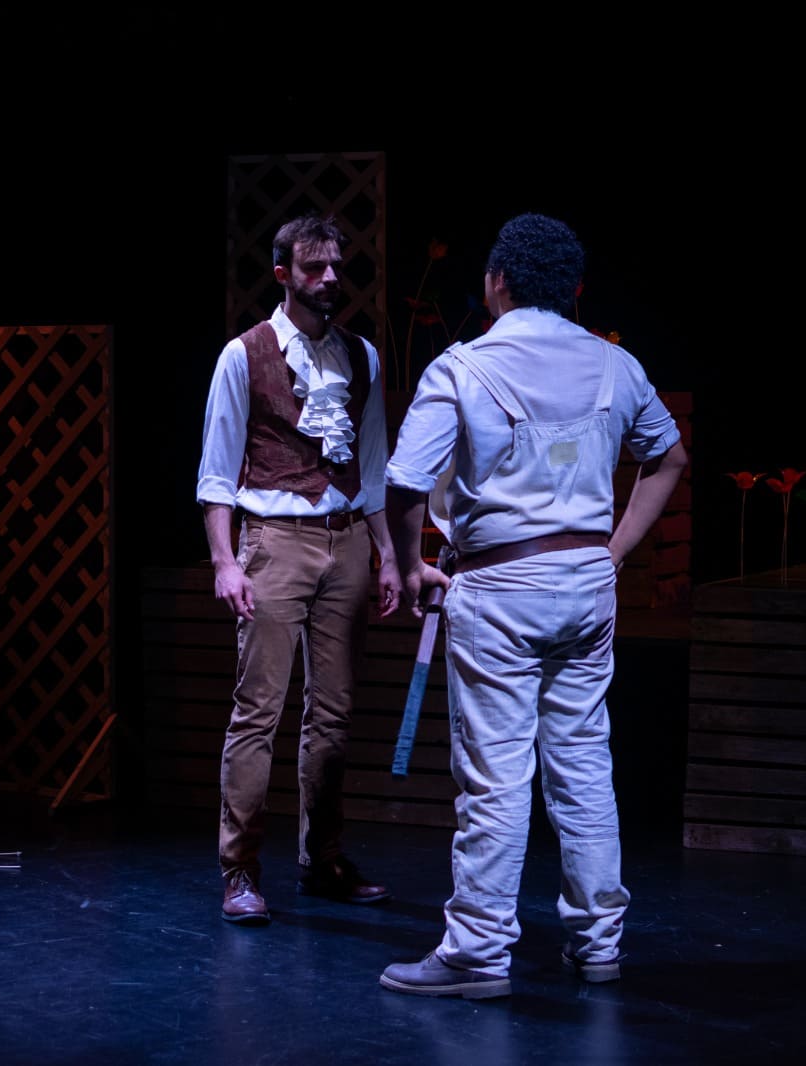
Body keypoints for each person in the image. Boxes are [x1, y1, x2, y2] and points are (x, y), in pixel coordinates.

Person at [378, 213, 689, 998]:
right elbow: (669, 457)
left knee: (495, 775)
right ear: (574, 289)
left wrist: (411, 567)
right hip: (586, 586)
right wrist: (614, 551)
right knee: (583, 765)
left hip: (501, 588)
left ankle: (478, 952)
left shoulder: (463, 367)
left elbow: (405, 481)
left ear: (495, 284)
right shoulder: (616, 366)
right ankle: (598, 944)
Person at [197, 212, 401, 924]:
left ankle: (323, 858)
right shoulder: (243, 355)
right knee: (258, 711)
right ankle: (240, 869)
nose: (330, 279)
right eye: (315, 268)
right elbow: (217, 470)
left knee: (334, 714)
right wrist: (225, 561)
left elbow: (372, 464)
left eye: (336, 266)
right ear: (284, 274)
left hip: (347, 539)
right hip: (275, 540)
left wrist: (388, 554)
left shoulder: (362, 357)